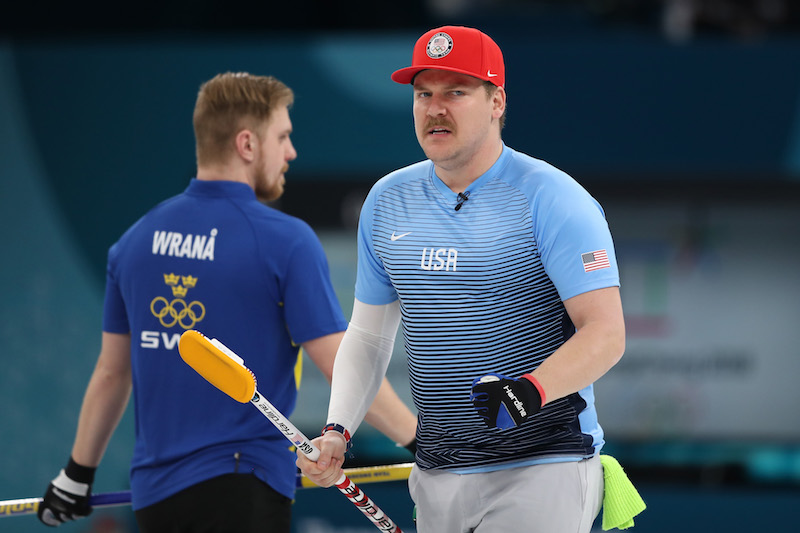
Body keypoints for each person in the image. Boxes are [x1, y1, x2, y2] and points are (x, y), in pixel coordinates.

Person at [38, 72, 417, 532]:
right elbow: (346, 366)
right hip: (244, 488)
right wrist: (420, 443)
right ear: (247, 144)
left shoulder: (133, 242)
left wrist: (76, 475)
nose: (291, 152)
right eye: (282, 137)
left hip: (156, 500)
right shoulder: (285, 240)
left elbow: (113, 373)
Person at [296, 26, 627, 533]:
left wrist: (529, 392)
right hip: (438, 473)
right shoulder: (386, 201)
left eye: (456, 91)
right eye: (423, 93)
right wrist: (338, 430)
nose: (435, 108)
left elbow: (606, 334)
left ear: (497, 102)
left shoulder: (553, 197)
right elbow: (367, 338)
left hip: (544, 466)